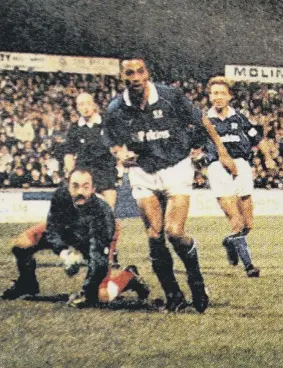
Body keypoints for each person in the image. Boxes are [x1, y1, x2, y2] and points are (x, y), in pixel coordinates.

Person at [104, 56, 237, 313]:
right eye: (129, 73)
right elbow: (111, 138)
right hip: (143, 171)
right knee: (155, 235)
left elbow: (202, 121)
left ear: (147, 74)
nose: (134, 78)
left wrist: (223, 153)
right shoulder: (117, 107)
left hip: (175, 166)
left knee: (174, 232)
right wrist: (119, 152)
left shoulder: (169, 96)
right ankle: (173, 295)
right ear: (122, 78)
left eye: (139, 72)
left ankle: (196, 280)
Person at [1, 168, 149, 307]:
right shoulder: (60, 196)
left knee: (101, 296)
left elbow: (99, 261)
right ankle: (26, 283)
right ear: (68, 186)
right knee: (22, 242)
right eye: (75, 186)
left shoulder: (103, 215)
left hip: (92, 239)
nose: (80, 191)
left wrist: (86, 291)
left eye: (85, 187)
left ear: (93, 189)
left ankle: (129, 277)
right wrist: (64, 253)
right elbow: (52, 229)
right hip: (70, 231)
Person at [204, 76, 262, 278]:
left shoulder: (240, 118)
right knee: (235, 220)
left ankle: (230, 241)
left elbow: (257, 138)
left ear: (229, 96)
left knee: (248, 224)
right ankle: (249, 266)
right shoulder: (204, 120)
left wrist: (269, 157)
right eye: (214, 93)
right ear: (209, 96)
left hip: (242, 166)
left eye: (221, 93)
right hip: (217, 167)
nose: (217, 97)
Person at [64, 92, 120, 267]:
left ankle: (111, 253)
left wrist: (121, 164)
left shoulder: (107, 124)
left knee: (108, 214)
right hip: (84, 176)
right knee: (81, 215)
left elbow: (118, 147)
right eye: (81, 104)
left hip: (105, 173)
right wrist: (71, 173)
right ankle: (81, 251)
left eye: (88, 103)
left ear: (94, 104)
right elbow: (69, 153)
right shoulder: (75, 128)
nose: (85, 107)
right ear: (77, 107)